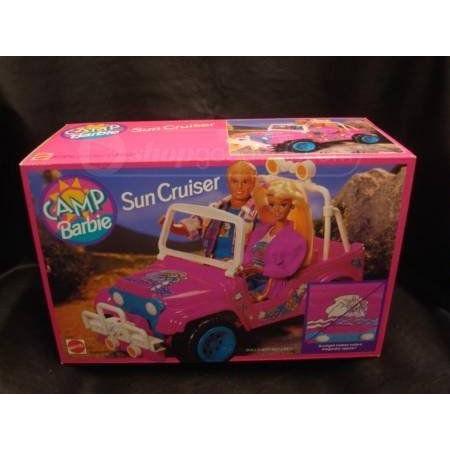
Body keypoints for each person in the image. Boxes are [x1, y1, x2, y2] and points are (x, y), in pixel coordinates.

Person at [163, 161, 258, 259]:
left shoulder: (258, 213)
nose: (239, 187)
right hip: (212, 263)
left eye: (245, 182)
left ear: (254, 183)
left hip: (241, 266)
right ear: (228, 183)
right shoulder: (217, 207)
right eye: (235, 181)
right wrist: (172, 227)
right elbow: (195, 224)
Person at [239, 178, 312, 302]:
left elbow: (287, 270)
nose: (277, 210)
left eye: (283, 205)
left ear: (292, 206)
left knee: (245, 300)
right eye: (272, 205)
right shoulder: (259, 232)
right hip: (250, 277)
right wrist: (244, 268)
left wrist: (261, 270)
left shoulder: (297, 241)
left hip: (271, 283)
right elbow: (248, 255)